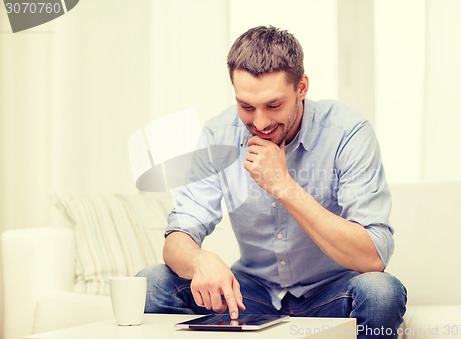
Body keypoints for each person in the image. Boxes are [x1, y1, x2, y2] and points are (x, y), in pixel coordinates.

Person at [137, 25, 407, 338]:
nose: (260, 123)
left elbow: (372, 257)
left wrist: (283, 185)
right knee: (152, 284)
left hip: (332, 293)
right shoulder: (218, 135)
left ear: (302, 87)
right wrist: (200, 261)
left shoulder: (347, 133)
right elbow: (178, 236)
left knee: (381, 293)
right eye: (247, 107)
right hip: (250, 294)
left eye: (274, 105)